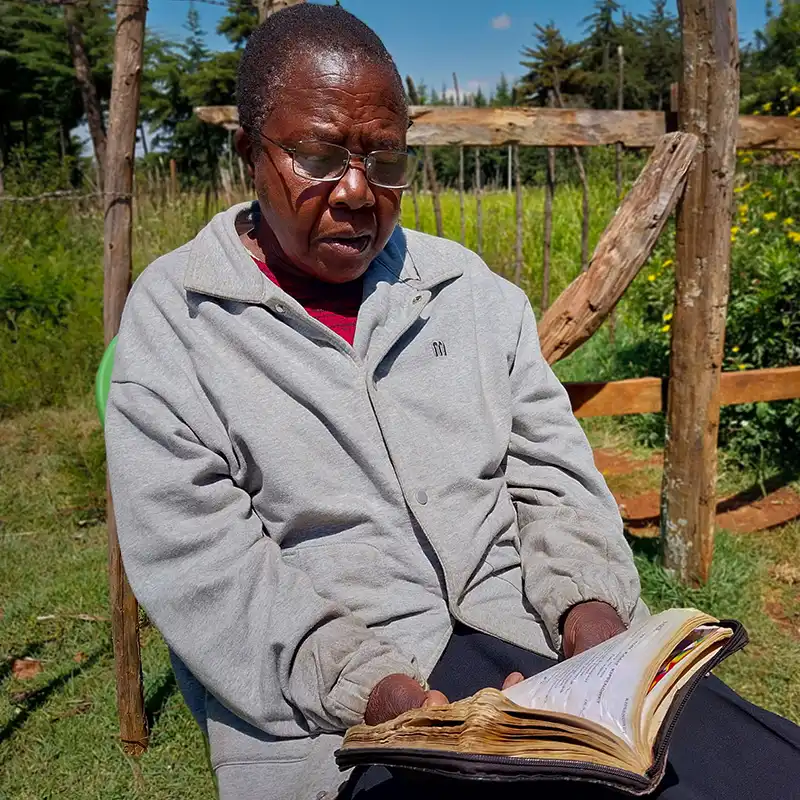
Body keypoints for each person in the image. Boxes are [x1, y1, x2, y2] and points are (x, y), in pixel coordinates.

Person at [105, 5, 800, 800]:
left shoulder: (469, 293)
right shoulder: (177, 322)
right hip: (344, 709)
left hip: (539, 643)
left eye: (385, 157)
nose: (359, 192)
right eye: (319, 156)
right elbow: (211, 574)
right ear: (246, 155)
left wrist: (593, 619)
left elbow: (554, 477)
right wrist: (383, 694)